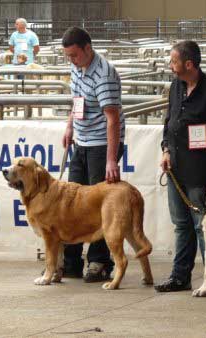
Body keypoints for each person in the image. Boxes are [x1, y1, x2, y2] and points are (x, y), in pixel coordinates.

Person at [154, 40, 206, 294]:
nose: (170, 65)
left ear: (189, 64)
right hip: (176, 171)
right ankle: (180, 276)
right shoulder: (175, 87)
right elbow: (169, 125)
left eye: (174, 61)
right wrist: (166, 150)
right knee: (182, 225)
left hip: (203, 174)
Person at [59, 26, 124, 282]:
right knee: (73, 201)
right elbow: (76, 100)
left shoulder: (104, 74)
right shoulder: (76, 68)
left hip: (101, 144)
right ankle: (71, 260)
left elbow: (113, 119)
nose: (72, 60)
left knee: (100, 204)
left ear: (88, 48)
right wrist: (69, 126)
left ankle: (99, 261)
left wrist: (111, 158)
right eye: (68, 56)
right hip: (82, 142)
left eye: (75, 55)